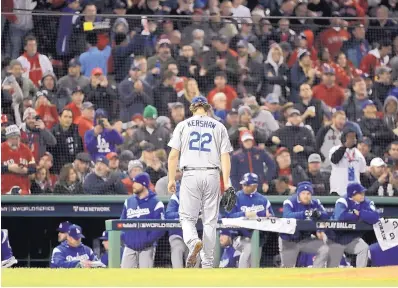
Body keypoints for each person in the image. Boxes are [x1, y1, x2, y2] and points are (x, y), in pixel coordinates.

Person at [167, 96, 233, 268]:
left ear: (192, 108)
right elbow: (225, 156)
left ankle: (193, 241)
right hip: (212, 174)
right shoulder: (219, 126)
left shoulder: (183, 125)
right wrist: (226, 182)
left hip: (190, 174)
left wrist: (171, 179)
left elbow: (173, 155)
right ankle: (208, 263)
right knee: (210, 221)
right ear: (207, 107)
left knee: (187, 218)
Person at [225, 173, 274, 268]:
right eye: (243, 184)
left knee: (254, 263)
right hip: (239, 236)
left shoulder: (263, 200)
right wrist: (244, 214)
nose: (244, 187)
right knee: (249, 247)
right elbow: (228, 216)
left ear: (255, 186)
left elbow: (271, 216)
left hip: (258, 238)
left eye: (247, 185)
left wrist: (268, 216)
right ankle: (242, 274)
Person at [328, 183, 380, 267]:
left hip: (351, 238)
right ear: (352, 194)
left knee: (363, 248)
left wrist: (360, 213)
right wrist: (354, 215)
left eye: (363, 192)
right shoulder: (342, 201)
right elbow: (340, 217)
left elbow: (375, 217)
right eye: (360, 193)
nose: (363, 195)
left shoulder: (367, 202)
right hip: (335, 237)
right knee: (332, 266)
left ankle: (360, 275)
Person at [279, 181, 329, 268]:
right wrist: (305, 213)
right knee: (287, 269)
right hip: (289, 240)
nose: (306, 196)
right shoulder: (290, 202)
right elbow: (287, 216)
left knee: (325, 249)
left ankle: (316, 275)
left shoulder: (315, 202)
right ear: (298, 194)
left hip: (305, 239)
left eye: (308, 193)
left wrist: (319, 222)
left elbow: (326, 216)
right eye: (303, 193)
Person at [120, 172, 165, 268]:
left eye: (136, 183)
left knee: (145, 278)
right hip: (129, 246)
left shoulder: (156, 203)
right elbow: (121, 222)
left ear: (144, 184)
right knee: (124, 277)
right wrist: (126, 238)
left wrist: (147, 241)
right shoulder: (129, 201)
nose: (133, 185)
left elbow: (160, 226)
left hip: (147, 248)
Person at [165, 189, 199, 268]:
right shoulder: (177, 196)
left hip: (193, 235)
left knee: (196, 252)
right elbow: (168, 214)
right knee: (177, 248)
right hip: (177, 233)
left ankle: (193, 277)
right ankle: (178, 275)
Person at [329, 127, 367, 196]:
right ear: (343, 138)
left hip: (354, 193)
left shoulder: (358, 154)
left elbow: (362, 171)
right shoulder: (334, 149)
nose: (352, 140)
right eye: (349, 137)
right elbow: (334, 160)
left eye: (354, 137)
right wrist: (345, 146)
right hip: (338, 191)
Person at [1, 125, 36, 195]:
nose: (15, 141)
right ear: (7, 138)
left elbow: (33, 169)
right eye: (12, 138)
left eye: (17, 138)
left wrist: (26, 171)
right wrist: (9, 168)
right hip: (5, 192)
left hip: (24, 191)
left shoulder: (26, 150)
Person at [49, 109, 84, 173]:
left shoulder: (76, 130)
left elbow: (80, 148)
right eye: (65, 117)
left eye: (70, 117)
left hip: (75, 167)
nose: (68, 119)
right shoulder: (53, 132)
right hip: (59, 168)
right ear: (59, 118)